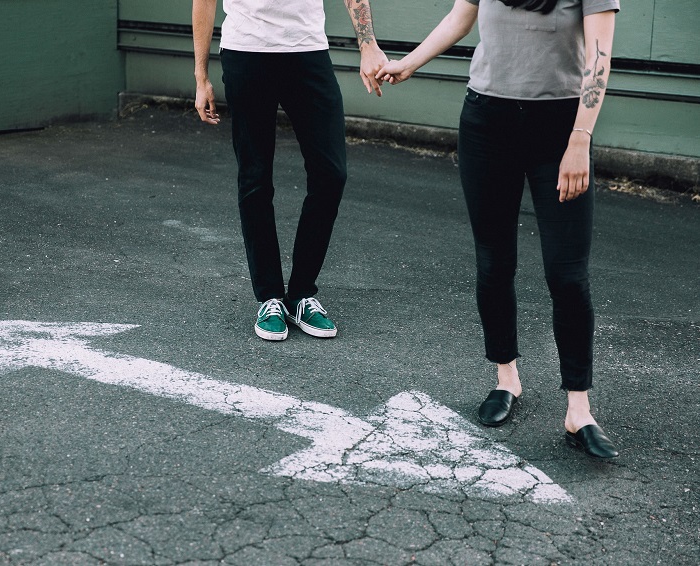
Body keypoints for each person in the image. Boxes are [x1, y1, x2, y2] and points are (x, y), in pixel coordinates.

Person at [377, 0, 620, 458]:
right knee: (494, 262)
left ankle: (579, 410)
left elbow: (599, 57)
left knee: (567, 274)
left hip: (561, 125)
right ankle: (506, 378)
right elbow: (460, 16)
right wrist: (408, 64)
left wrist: (580, 139)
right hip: (487, 121)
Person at [192, 0, 388, 341]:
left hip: (307, 50)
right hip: (246, 51)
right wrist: (201, 75)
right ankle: (270, 296)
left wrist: (368, 44)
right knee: (255, 179)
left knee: (331, 173)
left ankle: (300, 295)